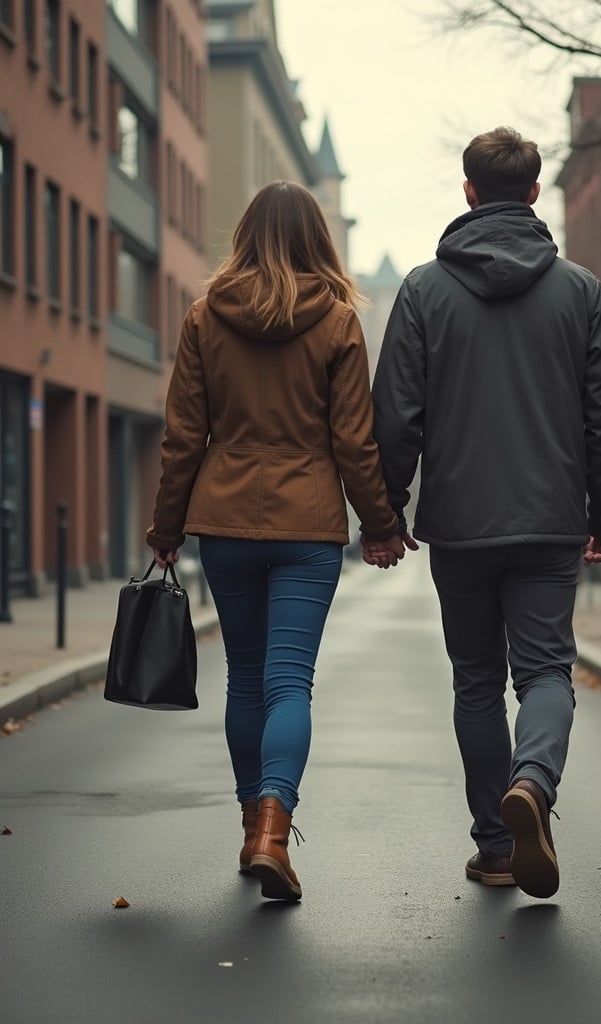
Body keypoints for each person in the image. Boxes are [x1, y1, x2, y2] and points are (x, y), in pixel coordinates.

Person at [368, 127, 601, 899]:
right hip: (551, 517)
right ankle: (535, 784)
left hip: (459, 523)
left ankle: (493, 847)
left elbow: (396, 415)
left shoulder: (422, 290)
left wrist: (387, 511)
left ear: (469, 192)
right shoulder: (580, 290)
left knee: (477, 681)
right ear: (536, 193)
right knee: (546, 669)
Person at [147, 181, 406, 902]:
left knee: (245, 676)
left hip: (224, 520)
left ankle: (249, 828)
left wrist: (166, 529)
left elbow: (182, 438)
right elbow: (355, 439)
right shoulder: (337, 320)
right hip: (307, 524)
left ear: (246, 235)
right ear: (318, 238)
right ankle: (272, 829)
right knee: (290, 681)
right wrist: (380, 524)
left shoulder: (205, 317)